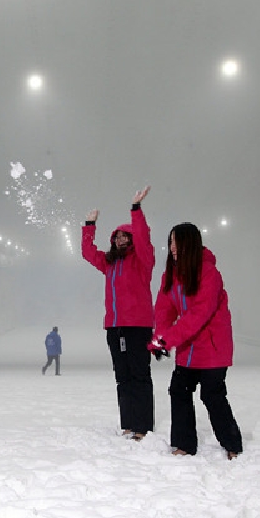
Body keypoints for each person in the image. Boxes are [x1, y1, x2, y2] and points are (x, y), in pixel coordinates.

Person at [149, 222, 243, 460]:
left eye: (176, 241)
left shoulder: (209, 273)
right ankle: (183, 444)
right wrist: (160, 336)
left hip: (212, 348)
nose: (171, 247)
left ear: (190, 243)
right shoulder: (170, 275)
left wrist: (167, 339)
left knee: (212, 396)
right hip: (187, 349)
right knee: (179, 391)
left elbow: (198, 315)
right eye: (170, 242)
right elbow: (164, 309)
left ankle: (232, 444)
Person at [81, 186, 156, 440]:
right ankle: (129, 423)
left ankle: (142, 426)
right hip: (115, 327)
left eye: (126, 236)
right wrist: (89, 225)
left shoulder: (143, 260)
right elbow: (87, 253)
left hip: (138, 326)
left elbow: (144, 238)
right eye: (117, 237)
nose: (121, 240)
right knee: (122, 376)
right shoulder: (110, 263)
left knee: (139, 375)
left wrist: (136, 209)